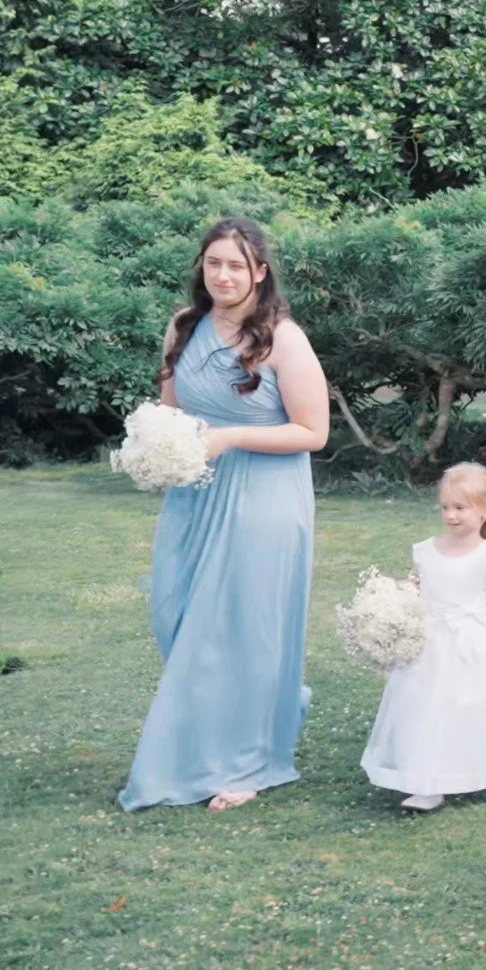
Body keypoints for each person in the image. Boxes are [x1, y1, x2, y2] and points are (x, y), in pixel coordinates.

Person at [120, 217, 329, 813]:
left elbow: (313, 432)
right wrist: (155, 449)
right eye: (214, 263)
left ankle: (245, 760)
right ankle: (240, 725)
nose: (223, 275)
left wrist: (229, 437)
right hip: (194, 493)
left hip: (264, 497)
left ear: (259, 272)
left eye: (236, 265)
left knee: (242, 626)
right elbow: (170, 411)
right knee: (176, 614)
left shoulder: (284, 338)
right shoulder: (183, 327)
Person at [360, 463, 486, 811]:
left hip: (470, 643)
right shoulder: (425, 550)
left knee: (464, 706)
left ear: (485, 510)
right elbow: (413, 589)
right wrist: (389, 610)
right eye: (446, 507)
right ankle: (425, 779)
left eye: (460, 507)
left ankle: (465, 772)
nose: (451, 515)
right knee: (423, 706)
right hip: (428, 643)